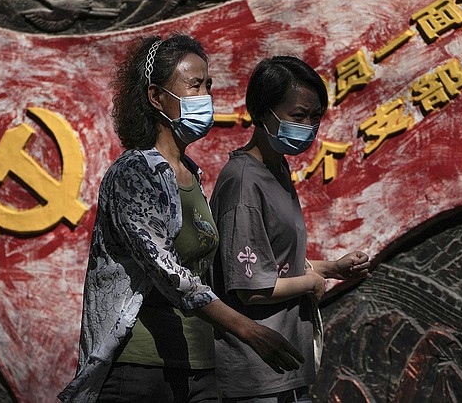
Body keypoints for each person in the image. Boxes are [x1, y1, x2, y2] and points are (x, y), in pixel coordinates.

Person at [58, 35, 304, 403]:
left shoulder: (191, 173)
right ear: (157, 97)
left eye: (208, 85)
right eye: (194, 85)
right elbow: (169, 274)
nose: (205, 95)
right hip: (141, 370)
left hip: (199, 368)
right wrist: (249, 331)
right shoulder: (133, 174)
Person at [210, 55, 372, 403]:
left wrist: (331, 268)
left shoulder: (277, 168)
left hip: (283, 366)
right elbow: (249, 288)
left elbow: (271, 260)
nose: (309, 126)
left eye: (315, 117)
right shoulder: (242, 182)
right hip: (254, 371)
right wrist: (312, 282)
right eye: (298, 115)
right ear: (263, 111)